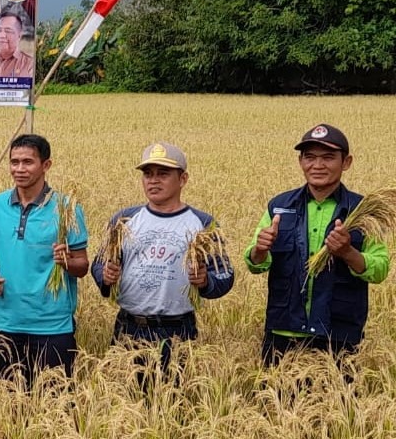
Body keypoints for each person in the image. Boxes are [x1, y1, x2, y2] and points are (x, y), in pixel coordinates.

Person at [244, 124, 388, 366]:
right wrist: (260, 249)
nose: (317, 165)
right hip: (284, 332)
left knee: (339, 404)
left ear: (347, 162)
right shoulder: (279, 206)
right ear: (301, 161)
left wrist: (348, 252)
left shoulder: (364, 212)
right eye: (309, 157)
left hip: (338, 335)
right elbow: (255, 263)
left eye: (328, 157)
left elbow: (380, 268)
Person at [90, 143, 234, 379]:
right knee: (124, 403)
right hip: (129, 327)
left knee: (173, 402)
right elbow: (98, 263)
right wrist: (104, 276)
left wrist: (206, 282)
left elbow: (225, 275)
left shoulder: (203, 224)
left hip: (178, 330)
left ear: (183, 179)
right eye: (148, 174)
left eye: (163, 174)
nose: (153, 181)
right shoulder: (124, 220)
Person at [0, 134, 89, 387]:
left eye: (28, 162)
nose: (19, 169)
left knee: (55, 406)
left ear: (46, 165)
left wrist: (66, 261)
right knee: (10, 404)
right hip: (6, 322)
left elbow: (82, 266)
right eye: (14, 162)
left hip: (52, 326)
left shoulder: (66, 208)